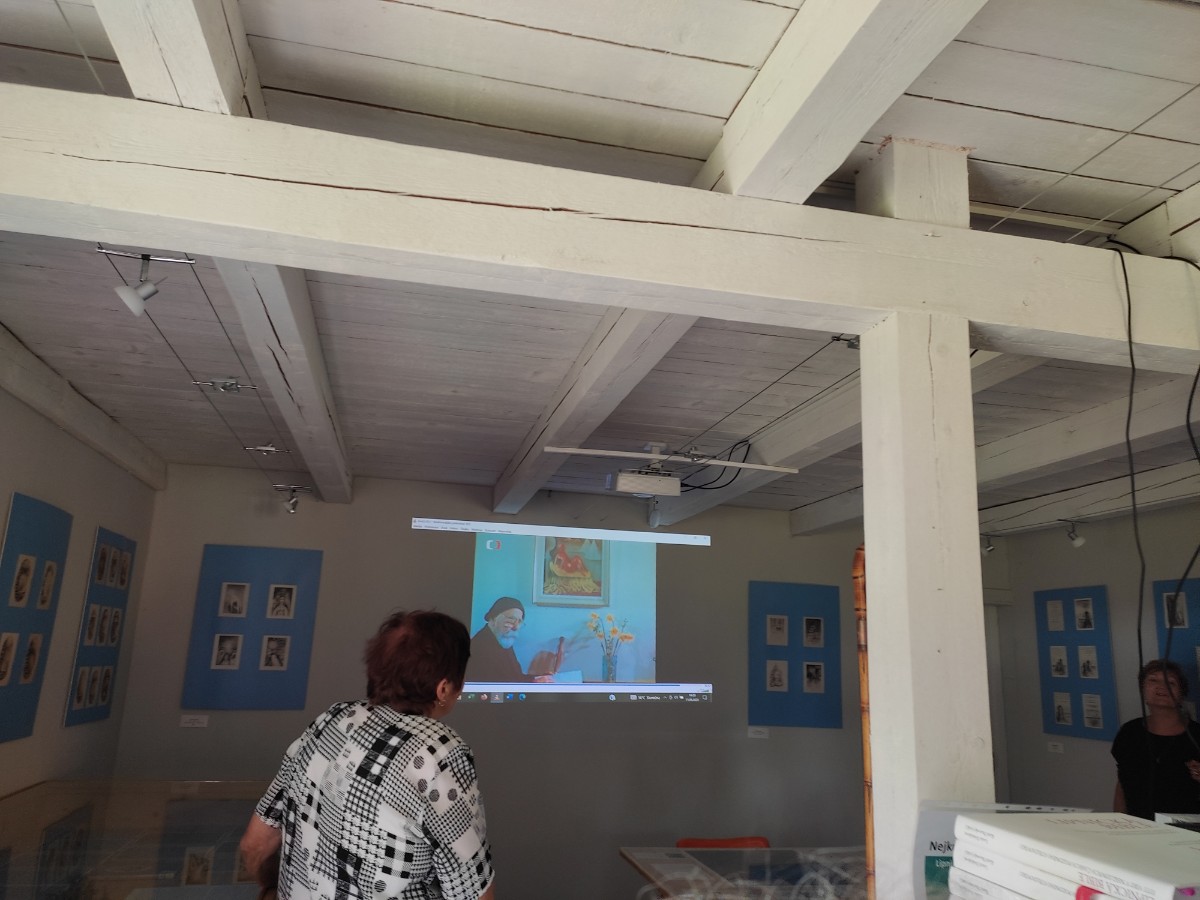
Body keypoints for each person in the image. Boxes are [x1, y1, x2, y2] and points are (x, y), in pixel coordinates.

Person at [239, 610, 495, 900]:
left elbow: (255, 844)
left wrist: (272, 889)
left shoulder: (330, 719)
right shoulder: (438, 752)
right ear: (444, 688)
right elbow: (473, 892)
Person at [1112, 659, 1200, 819]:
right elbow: (1122, 785)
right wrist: (1118, 823)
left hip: (1188, 829)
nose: (1161, 686)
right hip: (1138, 826)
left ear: (1181, 695)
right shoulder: (1129, 732)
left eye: (1171, 682)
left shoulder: (1196, 735)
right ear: (1143, 689)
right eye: (1153, 680)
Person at [467, 597, 553, 683]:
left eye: (519, 622)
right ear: (492, 620)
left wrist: (536, 679)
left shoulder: (502, 639)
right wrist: (532, 681)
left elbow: (514, 677)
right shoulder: (480, 647)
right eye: (510, 620)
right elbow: (499, 683)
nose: (516, 627)